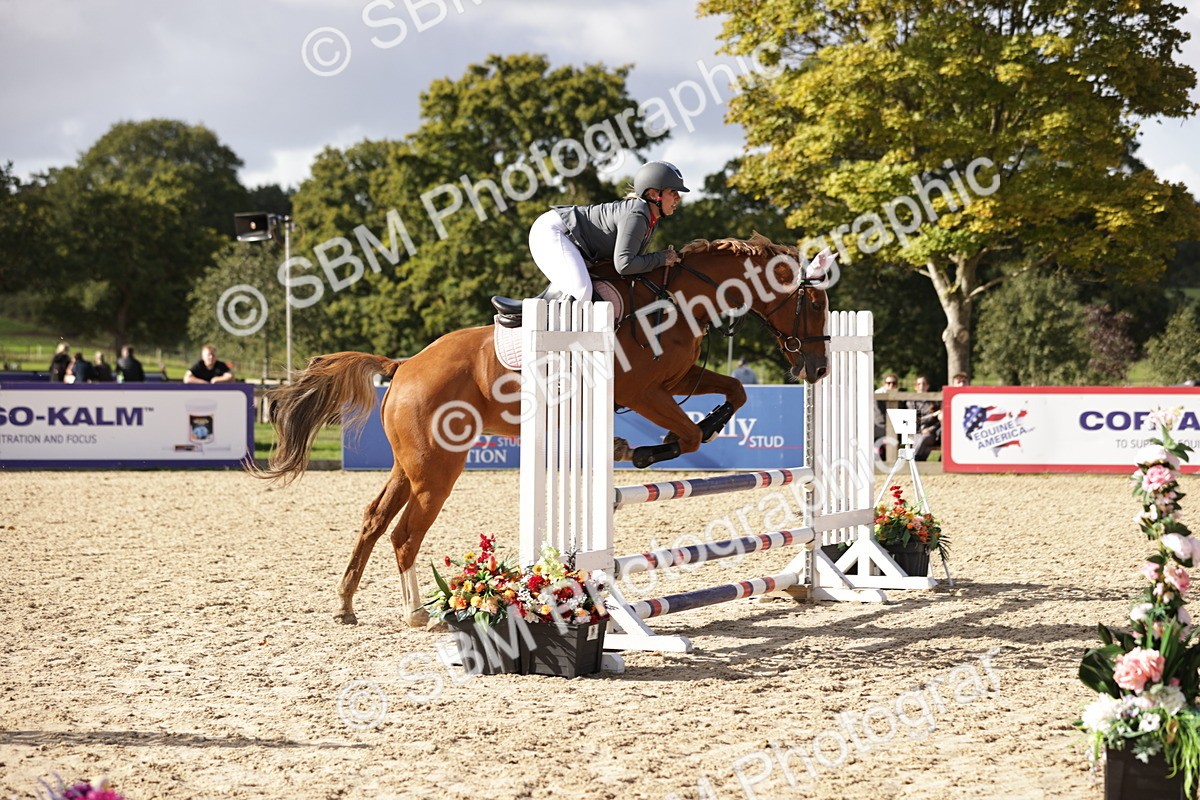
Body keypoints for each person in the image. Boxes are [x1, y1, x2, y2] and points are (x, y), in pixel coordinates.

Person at [529, 160, 688, 302]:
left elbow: (633, 266)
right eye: (672, 192)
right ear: (654, 194)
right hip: (553, 231)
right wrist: (662, 258)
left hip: (568, 237)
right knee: (582, 293)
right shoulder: (637, 215)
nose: (678, 198)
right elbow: (625, 265)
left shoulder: (650, 219)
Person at [907, 375, 942, 461]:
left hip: (930, 432)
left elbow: (939, 421)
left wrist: (930, 429)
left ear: (927, 386)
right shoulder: (911, 402)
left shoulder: (933, 401)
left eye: (924, 384)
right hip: (916, 430)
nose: (921, 386)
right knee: (916, 438)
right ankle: (915, 461)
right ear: (915, 387)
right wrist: (932, 415)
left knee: (923, 439)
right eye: (919, 384)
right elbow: (914, 420)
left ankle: (914, 461)